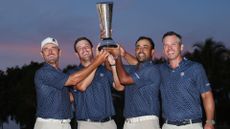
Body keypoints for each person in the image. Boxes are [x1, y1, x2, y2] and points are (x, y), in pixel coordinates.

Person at [34, 37, 109, 129]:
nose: (50, 52)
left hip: (65, 124)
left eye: (53, 48)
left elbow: (70, 97)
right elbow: (73, 80)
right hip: (49, 124)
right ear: (42, 54)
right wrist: (97, 61)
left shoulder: (61, 75)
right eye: (46, 49)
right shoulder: (44, 72)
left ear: (59, 52)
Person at [159, 31, 215, 129]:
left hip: (191, 125)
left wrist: (209, 122)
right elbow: (141, 66)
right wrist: (124, 55)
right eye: (166, 45)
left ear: (181, 47)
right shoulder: (160, 70)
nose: (169, 48)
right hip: (168, 126)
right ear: (163, 49)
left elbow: (206, 95)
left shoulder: (195, 68)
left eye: (173, 44)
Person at [68, 37, 123, 129]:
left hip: (109, 124)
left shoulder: (104, 70)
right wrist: (97, 62)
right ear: (76, 54)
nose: (84, 49)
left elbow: (120, 87)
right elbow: (82, 86)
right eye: (80, 48)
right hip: (87, 124)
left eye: (86, 46)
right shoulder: (72, 73)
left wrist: (113, 65)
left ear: (92, 49)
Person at [107, 36, 161, 129]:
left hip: (146, 122)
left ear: (152, 52)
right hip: (129, 123)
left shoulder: (152, 69)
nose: (140, 50)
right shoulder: (133, 69)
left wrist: (117, 56)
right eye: (138, 47)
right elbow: (110, 67)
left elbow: (124, 80)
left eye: (145, 47)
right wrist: (107, 53)